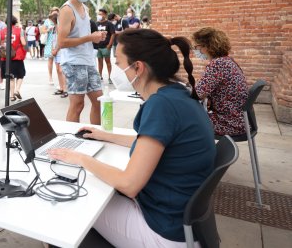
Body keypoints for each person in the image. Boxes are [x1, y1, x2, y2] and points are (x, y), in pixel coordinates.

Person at [49, 28, 216, 247]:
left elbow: (129, 184)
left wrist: (81, 158)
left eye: (118, 63)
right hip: (180, 220)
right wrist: (105, 135)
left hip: (162, 231)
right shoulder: (177, 94)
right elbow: (154, 143)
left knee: (72, 197)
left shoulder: (161, 106)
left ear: (138, 67)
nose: (117, 69)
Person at [57, 0, 106, 124]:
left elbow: (84, 34)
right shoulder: (66, 10)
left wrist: (96, 36)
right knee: (77, 104)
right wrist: (90, 38)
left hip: (88, 60)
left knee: (99, 101)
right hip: (73, 62)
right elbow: (61, 42)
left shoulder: (85, 8)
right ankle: (70, 138)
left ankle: (96, 135)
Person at [193, 27, 249, 136]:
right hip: (239, 121)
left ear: (207, 47)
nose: (196, 50)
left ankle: (196, 152)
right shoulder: (227, 61)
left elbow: (197, 94)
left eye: (197, 47)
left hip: (228, 123)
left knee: (181, 120)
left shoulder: (218, 64)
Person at [0, 16, 27, 101]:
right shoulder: (20, 30)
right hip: (17, 56)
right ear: (15, 22)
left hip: (6, 57)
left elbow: (0, 43)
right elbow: (23, 43)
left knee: (11, 77)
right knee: (20, 74)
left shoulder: (2, 31)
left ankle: (12, 96)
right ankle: (17, 90)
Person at [96, 9, 115, 84]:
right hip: (98, 46)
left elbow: (113, 34)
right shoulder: (96, 23)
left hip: (106, 46)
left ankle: (110, 77)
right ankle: (100, 76)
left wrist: (109, 45)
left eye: (101, 14)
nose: (99, 15)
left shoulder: (109, 23)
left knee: (108, 61)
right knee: (99, 62)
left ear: (105, 15)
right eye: (99, 14)